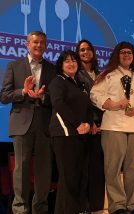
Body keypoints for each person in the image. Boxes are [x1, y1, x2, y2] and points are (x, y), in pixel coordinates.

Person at [90, 41, 134, 214]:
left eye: (129, 53)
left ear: (133, 57)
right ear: (117, 55)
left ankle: (132, 204)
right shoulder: (107, 75)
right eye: (123, 52)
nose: (126, 55)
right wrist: (113, 104)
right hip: (114, 125)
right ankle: (117, 205)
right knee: (113, 167)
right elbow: (95, 94)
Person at [0, 31, 55, 214]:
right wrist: (23, 92)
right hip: (21, 122)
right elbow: (4, 96)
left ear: (45, 46)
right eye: (35, 42)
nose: (38, 45)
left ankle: (40, 208)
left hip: (44, 124)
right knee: (21, 169)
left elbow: (55, 98)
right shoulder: (14, 66)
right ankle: (20, 209)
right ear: (27, 44)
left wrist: (42, 96)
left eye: (42, 42)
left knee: (43, 170)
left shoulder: (52, 69)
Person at [48, 50, 93, 214]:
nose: (71, 63)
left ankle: (78, 210)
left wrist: (88, 123)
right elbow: (59, 104)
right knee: (68, 179)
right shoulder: (57, 82)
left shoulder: (80, 84)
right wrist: (77, 124)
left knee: (79, 177)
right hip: (64, 134)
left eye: (74, 60)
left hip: (81, 135)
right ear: (60, 65)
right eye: (67, 61)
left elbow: (88, 107)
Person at [76, 39, 106, 214]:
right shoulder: (76, 74)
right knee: (83, 171)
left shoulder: (101, 74)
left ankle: (97, 208)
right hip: (84, 127)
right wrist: (91, 122)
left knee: (98, 172)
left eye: (88, 49)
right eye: (81, 50)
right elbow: (81, 101)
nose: (85, 52)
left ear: (93, 53)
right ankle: (82, 208)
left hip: (102, 128)